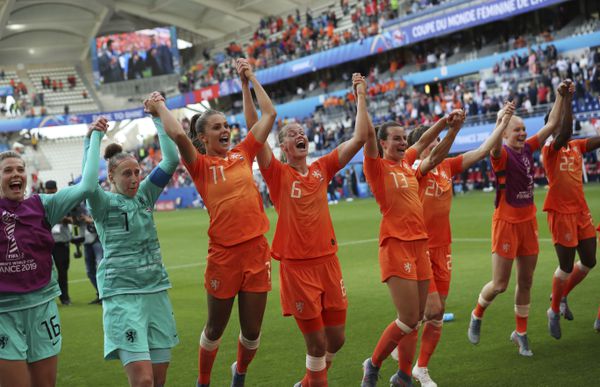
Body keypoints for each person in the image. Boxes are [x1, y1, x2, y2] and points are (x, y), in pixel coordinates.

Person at [156, 59, 276, 387]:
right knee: (215, 328)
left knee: (252, 331)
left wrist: (248, 79)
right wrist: (160, 106)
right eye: (216, 127)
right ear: (203, 137)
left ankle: (239, 373)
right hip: (224, 256)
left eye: (226, 125)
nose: (225, 130)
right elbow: (178, 132)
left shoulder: (243, 152)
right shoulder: (200, 165)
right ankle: (204, 381)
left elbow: (269, 115)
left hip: (256, 252)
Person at [257, 73, 368, 387]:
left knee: (337, 340)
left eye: (301, 131)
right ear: (283, 147)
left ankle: (307, 382)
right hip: (298, 269)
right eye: (291, 134)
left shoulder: (322, 169)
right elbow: (256, 133)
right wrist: (249, 81)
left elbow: (359, 139)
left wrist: (360, 95)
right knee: (317, 345)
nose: (299, 134)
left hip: (329, 264)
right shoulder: (277, 174)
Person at [393, 101, 515, 386]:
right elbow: (433, 157)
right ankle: (399, 359)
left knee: (433, 315)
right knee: (431, 310)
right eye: (434, 140)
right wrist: (452, 129)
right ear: (421, 145)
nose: (439, 145)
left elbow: (483, 151)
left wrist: (502, 122)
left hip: (443, 248)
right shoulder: (414, 168)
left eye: (439, 140)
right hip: (419, 248)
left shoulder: (448, 166)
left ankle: (420, 368)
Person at [360, 109, 464, 387]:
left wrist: (445, 122)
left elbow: (424, 143)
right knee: (407, 319)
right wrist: (360, 95)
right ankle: (373, 364)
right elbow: (367, 133)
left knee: (415, 319)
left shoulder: (407, 163)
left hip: (421, 246)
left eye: (404, 138)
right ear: (382, 143)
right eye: (396, 138)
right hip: (396, 244)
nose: (403, 143)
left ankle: (404, 375)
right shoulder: (376, 167)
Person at [467, 81, 570, 357]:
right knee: (500, 284)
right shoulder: (500, 154)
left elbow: (552, 125)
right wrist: (502, 120)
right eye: (517, 130)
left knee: (526, 281)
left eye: (524, 129)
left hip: (528, 222)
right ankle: (477, 313)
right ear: (505, 134)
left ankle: (520, 333)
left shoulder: (527, 149)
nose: (523, 133)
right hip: (505, 223)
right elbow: (495, 144)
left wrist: (560, 96)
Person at [84, 103, 179, 386]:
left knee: (158, 382)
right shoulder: (102, 203)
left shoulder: (145, 196)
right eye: (127, 174)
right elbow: (89, 184)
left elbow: (171, 160)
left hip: (156, 292)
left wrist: (157, 118)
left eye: (137, 172)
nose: (135, 178)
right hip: (123, 296)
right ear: (111, 177)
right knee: (144, 382)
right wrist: (94, 139)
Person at [0, 126, 103, 387]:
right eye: (8, 170)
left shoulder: (43, 205)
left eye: (20, 170)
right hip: (4, 313)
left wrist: (92, 139)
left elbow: (89, 184)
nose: (15, 174)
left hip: (42, 308)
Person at [543, 81, 598, 339]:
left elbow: (591, 140)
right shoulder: (549, 149)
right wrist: (565, 99)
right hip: (560, 213)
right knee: (564, 267)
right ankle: (553, 310)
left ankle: (562, 295)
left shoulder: (575, 147)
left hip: (580, 211)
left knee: (589, 261)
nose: (564, 126)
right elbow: (564, 131)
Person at [45, 180, 73, 306]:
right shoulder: (42, 204)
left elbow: (73, 218)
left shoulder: (63, 203)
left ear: (56, 190)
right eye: (49, 192)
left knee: (62, 272)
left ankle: (64, 297)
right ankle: (48, 298)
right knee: (46, 272)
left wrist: (63, 219)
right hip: (47, 243)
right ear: (45, 191)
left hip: (61, 242)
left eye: (53, 192)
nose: (51, 194)